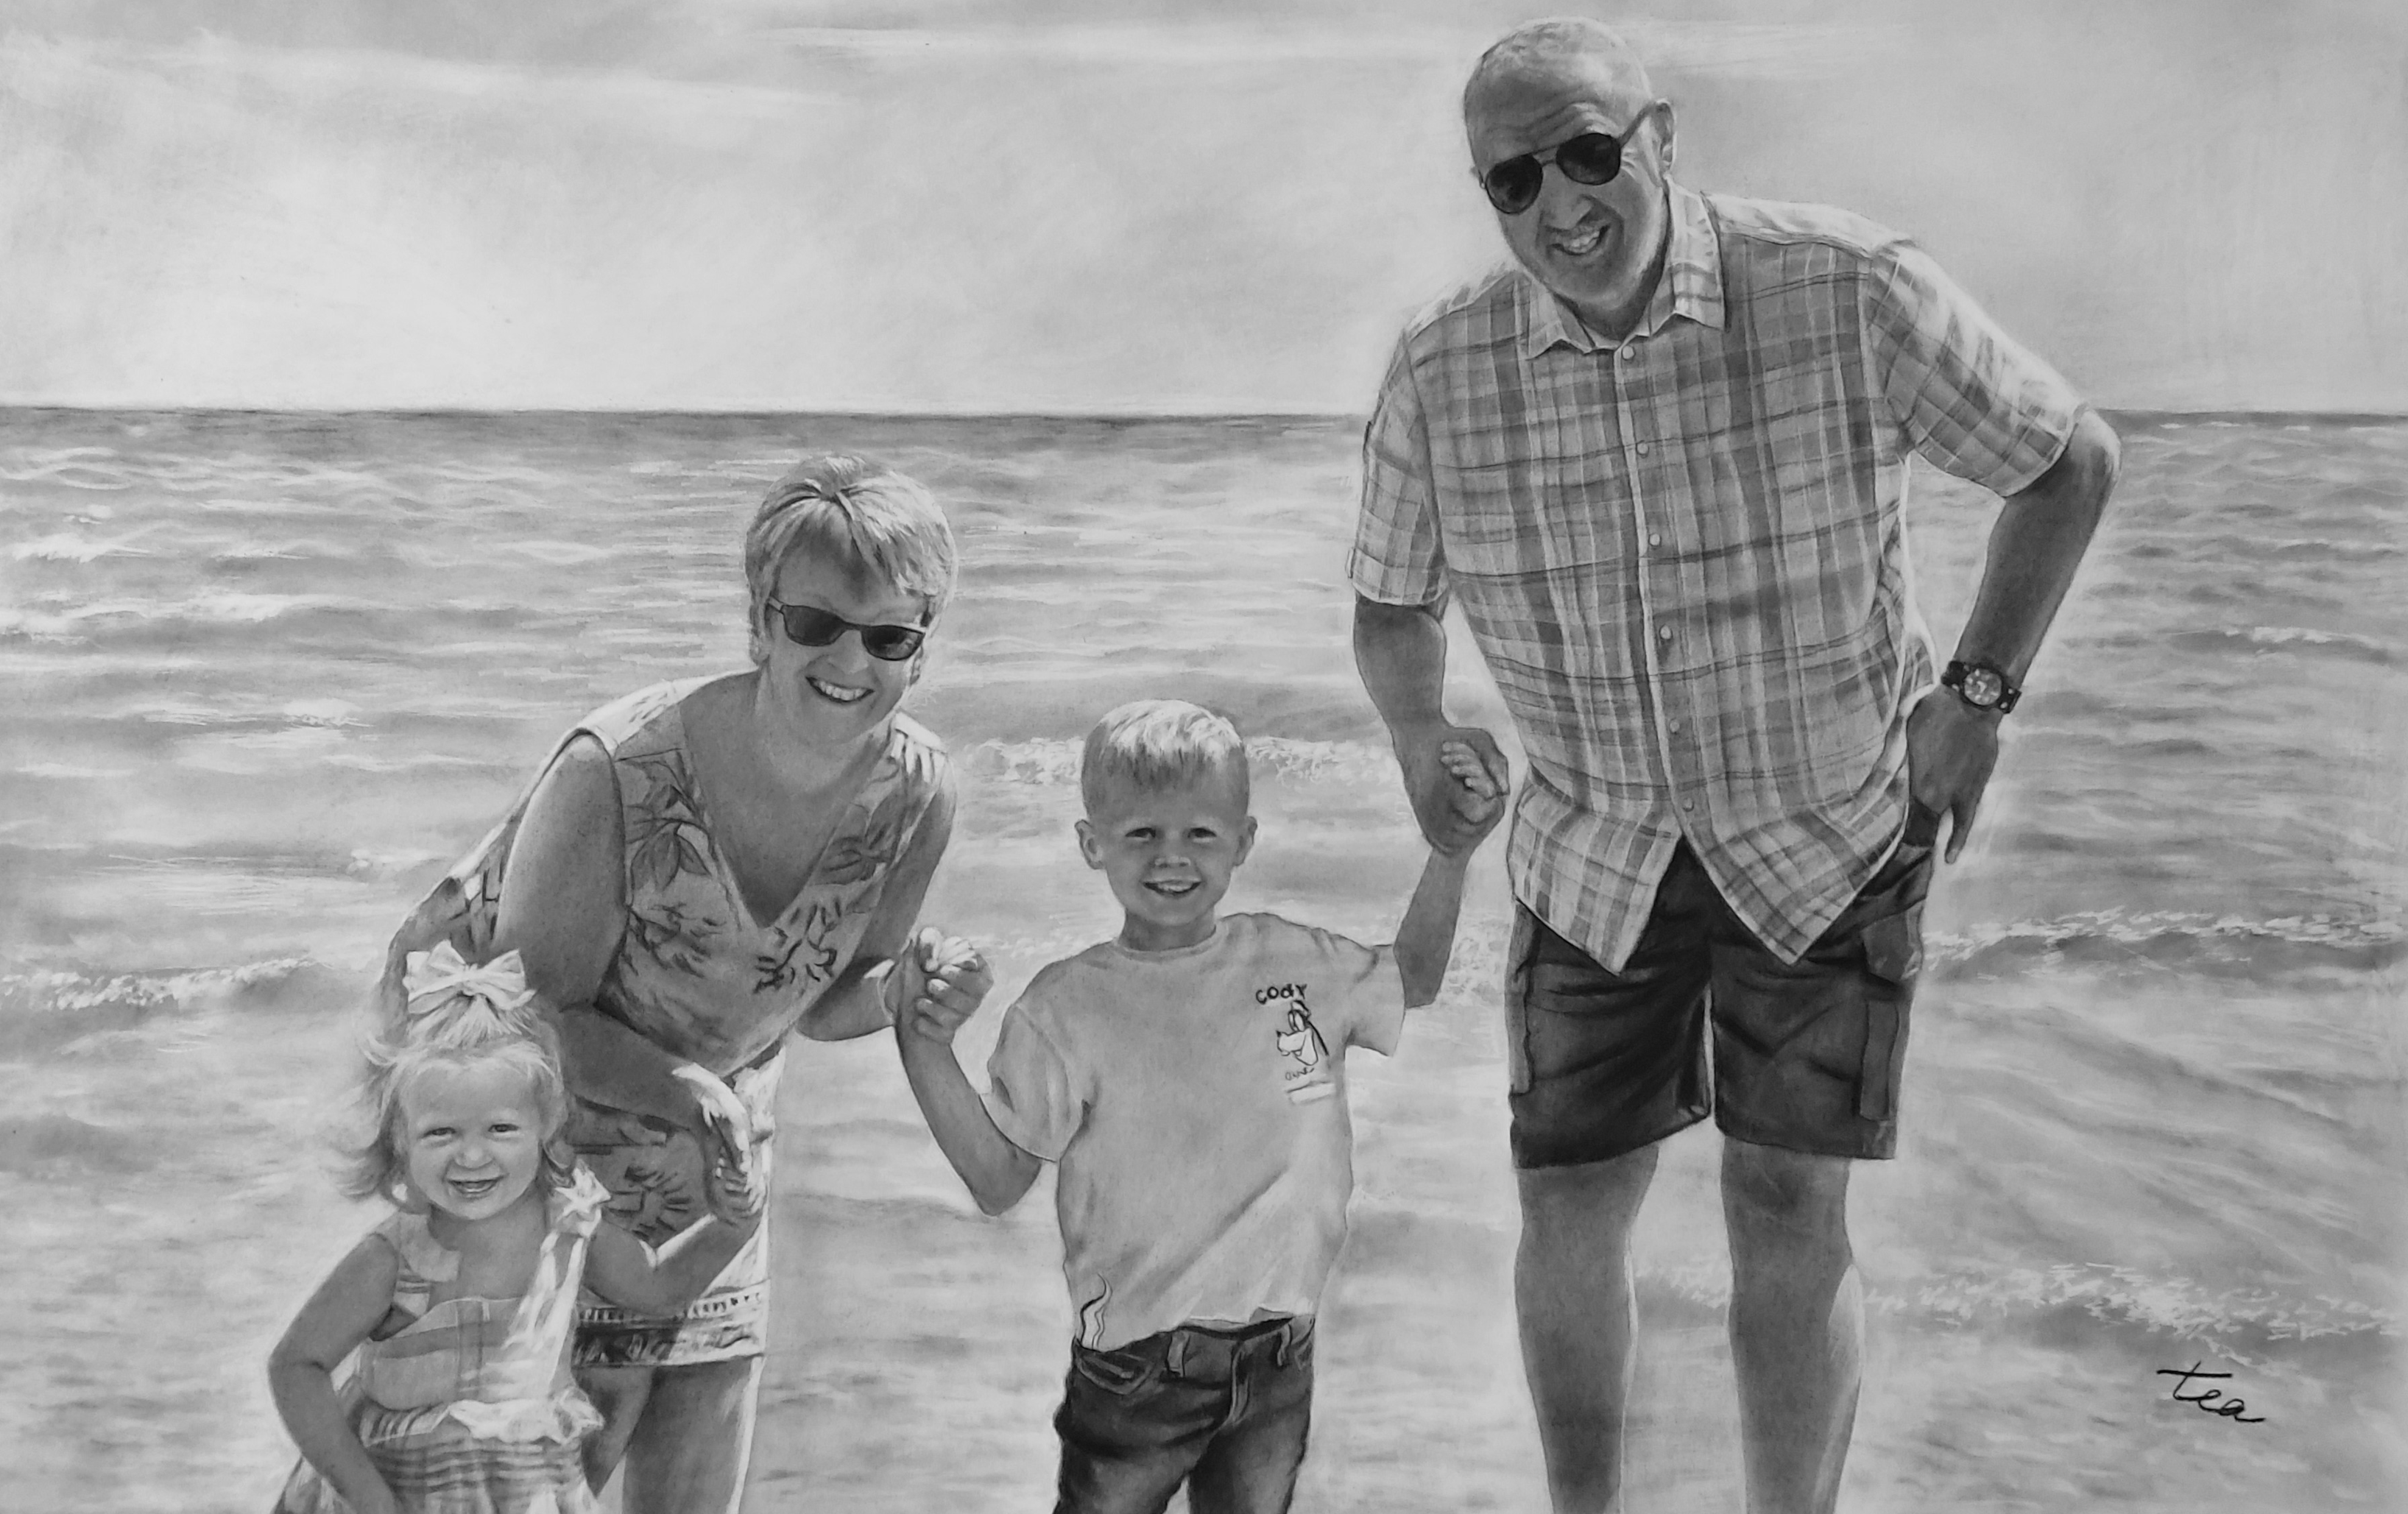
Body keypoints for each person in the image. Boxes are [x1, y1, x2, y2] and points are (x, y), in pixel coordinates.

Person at [1349, 18, 2119, 1514]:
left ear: (1663, 140)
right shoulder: (1443, 369)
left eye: (1587, 153)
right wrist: (1420, 730)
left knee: (1786, 1202)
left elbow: (2065, 458)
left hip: (1826, 828)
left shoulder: (1843, 286)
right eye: (1513, 180)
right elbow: (1389, 608)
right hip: (1592, 851)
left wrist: (1974, 698)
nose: (1559, 205)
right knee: (1567, 1202)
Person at [377, 454, 992, 1513]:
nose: (851, 660)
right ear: (760, 619)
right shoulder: (617, 768)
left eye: (889, 636)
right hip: (532, 1185)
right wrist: (685, 1087)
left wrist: (906, 997)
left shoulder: (917, 790)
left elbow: (837, 988)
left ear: (920, 651)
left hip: (716, 1188)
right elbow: (529, 1019)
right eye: (815, 624)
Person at [888, 700, 1504, 1514]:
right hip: (1136, 1374)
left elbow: (1414, 979)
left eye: (1199, 835)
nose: (1171, 857)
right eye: (1142, 833)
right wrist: (923, 1047)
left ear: (1242, 842)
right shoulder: (1064, 1008)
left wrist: (1449, 857)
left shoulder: (1294, 961)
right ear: (1091, 844)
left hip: (1281, 1357)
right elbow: (998, 1180)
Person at [269, 946, 766, 1514]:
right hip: (405, 1494)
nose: (472, 1157)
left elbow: (654, 1289)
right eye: (441, 1133)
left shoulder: (567, 1225)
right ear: (401, 1140)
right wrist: (367, 1497)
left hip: (526, 1492)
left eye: (500, 1129)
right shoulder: (397, 1255)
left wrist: (732, 1224)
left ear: (545, 1128)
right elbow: (295, 1366)